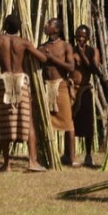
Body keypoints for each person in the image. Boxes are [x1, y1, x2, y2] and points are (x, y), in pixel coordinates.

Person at [0, 14, 47, 172]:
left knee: (5, 122)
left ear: (5, 25)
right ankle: (32, 161)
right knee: (28, 121)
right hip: (21, 81)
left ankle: (6, 163)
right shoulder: (23, 42)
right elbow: (42, 58)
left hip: (5, 81)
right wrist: (43, 51)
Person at [38, 18, 76, 166]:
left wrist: (52, 59)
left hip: (61, 86)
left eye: (49, 24)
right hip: (45, 86)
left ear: (57, 29)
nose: (46, 26)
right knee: (44, 121)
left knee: (68, 123)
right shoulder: (42, 47)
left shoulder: (65, 46)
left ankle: (70, 156)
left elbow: (71, 67)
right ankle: (45, 155)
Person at [69, 25, 104, 167]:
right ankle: (69, 154)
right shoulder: (70, 50)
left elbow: (95, 69)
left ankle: (88, 155)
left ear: (88, 38)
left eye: (83, 36)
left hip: (85, 89)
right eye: (78, 36)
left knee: (88, 124)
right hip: (72, 89)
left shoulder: (93, 51)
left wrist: (83, 55)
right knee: (69, 122)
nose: (80, 39)